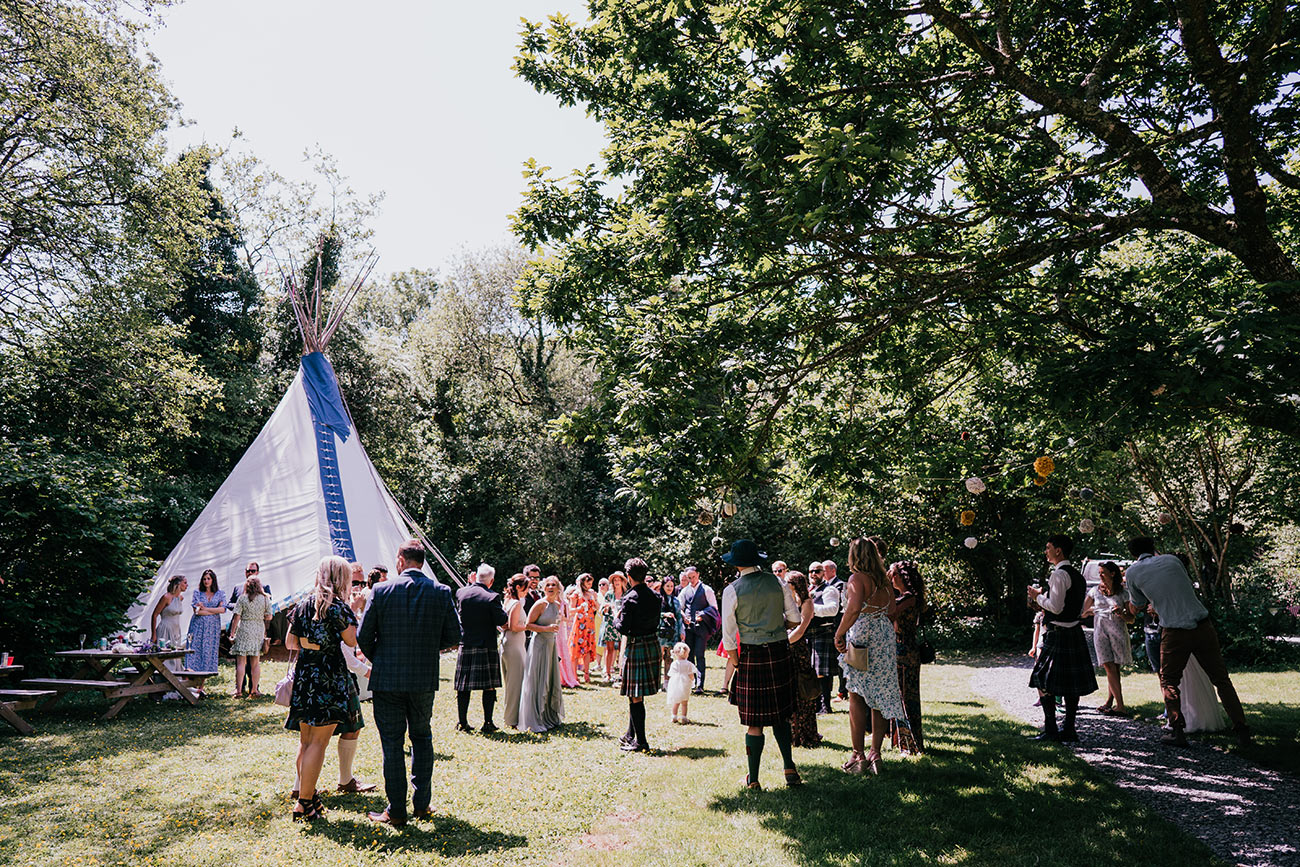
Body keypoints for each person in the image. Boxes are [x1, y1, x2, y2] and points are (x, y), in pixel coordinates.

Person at [358, 540, 461, 827]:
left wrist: (380, 658)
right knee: (422, 738)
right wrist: (428, 649)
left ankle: (396, 810)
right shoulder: (440, 591)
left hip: (388, 678)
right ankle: (422, 805)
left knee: (392, 744)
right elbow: (454, 635)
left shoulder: (381, 590)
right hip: (422, 677)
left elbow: (364, 637)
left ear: (400, 560)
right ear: (422, 561)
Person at [1124, 537, 1251, 746]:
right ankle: (1241, 728)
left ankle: (1177, 731)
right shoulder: (1172, 561)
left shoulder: (1133, 572)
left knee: (1169, 681)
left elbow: (1136, 606)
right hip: (1202, 624)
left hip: (1174, 631)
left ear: (1133, 554)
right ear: (1153, 547)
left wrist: (1134, 607)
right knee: (1221, 679)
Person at [284, 555, 362, 821]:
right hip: (328, 677)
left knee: (305, 741)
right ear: (342, 578)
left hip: (306, 676)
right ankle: (304, 803)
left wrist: (311, 644)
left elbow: (290, 642)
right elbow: (351, 641)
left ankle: (309, 795)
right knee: (318, 742)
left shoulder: (304, 604)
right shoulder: (339, 607)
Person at [721, 539, 802, 789]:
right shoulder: (777, 582)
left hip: (752, 656)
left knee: (754, 721)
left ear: (736, 565)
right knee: (781, 715)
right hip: (778, 652)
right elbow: (795, 618)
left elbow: (728, 633)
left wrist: (736, 662)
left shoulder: (732, 589)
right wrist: (777, 628)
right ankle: (790, 770)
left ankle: (753, 780)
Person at [835, 538, 907, 774]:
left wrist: (840, 633)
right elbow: (892, 611)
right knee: (880, 695)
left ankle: (858, 755)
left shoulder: (857, 579)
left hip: (863, 636)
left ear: (854, 555)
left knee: (856, 695)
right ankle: (876, 752)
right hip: (884, 637)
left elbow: (854, 609)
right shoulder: (884, 581)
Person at [1026, 534, 1098, 743]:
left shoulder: (1058, 575)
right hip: (1073, 631)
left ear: (1058, 550)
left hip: (1058, 633)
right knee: (1070, 683)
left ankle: (1051, 730)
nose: (1046, 551)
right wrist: (1044, 598)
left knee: (1042, 679)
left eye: (1048, 548)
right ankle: (1069, 729)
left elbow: (1056, 607)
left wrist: (1037, 597)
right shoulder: (1077, 575)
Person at [454, 563, 508, 733]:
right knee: (489, 685)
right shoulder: (492, 596)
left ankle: (462, 722)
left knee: (463, 685)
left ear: (476, 576)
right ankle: (488, 722)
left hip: (466, 642)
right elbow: (501, 620)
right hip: (486, 644)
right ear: (491, 581)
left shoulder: (461, 592)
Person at [615, 557, 662, 752]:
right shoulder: (656, 596)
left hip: (636, 646)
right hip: (652, 644)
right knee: (635, 695)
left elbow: (623, 628)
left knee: (635, 696)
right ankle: (630, 734)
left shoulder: (629, 598)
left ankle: (641, 742)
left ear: (628, 576)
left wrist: (615, 619)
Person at [1082, 561, 1134, 715]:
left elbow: (1131, 619)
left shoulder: (1123, 593)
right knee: (1108, 666)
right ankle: (1119, 705)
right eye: (1099, 573)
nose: (1100, 576)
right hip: (1101, 631)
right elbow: (1083, 611)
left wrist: (1121, 612)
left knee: (1114, 668)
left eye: (1102, 572)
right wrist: (1093, 610)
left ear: (1112, 574)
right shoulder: (1094, 591)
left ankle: (1115, 703)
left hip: (1117, 630)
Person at [519, 576, 565, 733]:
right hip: (539, 645)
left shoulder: (557, 605)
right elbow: (528, 625)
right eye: (548, 585)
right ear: (544, 588)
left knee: (549, 678)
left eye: (554, 585)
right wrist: (546, 629)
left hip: (551, 645)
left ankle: (548, 715)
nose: (550, 587)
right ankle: (535, 717)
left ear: (558, 589)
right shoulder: (540, 604)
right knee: (538, 678)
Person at [888, 560, 925, 754]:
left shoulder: (908, 598)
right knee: (900, 696)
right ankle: (901, 741)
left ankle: (910, 744)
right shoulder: (905, 597)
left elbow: (888, 613)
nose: (890, 577)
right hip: (901, 648)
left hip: (905, 650)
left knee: (906, 697)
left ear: (901, 577)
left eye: (893, 574)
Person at [784, 570, 821, 748]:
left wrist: (784, 642)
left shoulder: (807, 602)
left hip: (798, 649)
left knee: (803, 690)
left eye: (787, 582)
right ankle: (791, 734)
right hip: (787, 649)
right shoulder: (787, 602)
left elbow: (801, 628)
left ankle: (807, 734)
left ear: (795, 584)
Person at [228, 574, 272, 698]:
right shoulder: (265, 599)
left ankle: (238, 691)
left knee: (241, 663)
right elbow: (269, 616)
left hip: (244, 629)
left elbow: (236, 616)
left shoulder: (242, 598)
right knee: (255, 663)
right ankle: (254, 691)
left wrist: (232, 633)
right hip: (258, 630)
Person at [678, 565, 717, 694]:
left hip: (702, 627)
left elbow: (714, 608)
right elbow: (680, 608)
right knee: (689, 656)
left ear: (698, 575)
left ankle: (700, 685)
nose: (692, 580)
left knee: (700, 655)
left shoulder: (707, 589)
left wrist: (703, 615)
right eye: (689, 578)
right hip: (689, 627)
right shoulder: (684, 591)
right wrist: (684, 617)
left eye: (693, 577)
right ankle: (691, 682)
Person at [184, 569, 226, 688]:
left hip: (212, 628)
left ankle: (200, 686)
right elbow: (197, 612)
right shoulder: (197, 592)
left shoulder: (220, 593)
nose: (206, 581)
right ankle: (189, 684)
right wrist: (214, 610)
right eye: (204, 579)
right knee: (193, 651)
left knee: (207, 652)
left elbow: (223, 610)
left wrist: (206, 609)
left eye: (208, 578)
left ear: (213, 580)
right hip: (197, 626)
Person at [807, 561, 840, 714]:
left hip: (823, 632)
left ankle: (825, 705)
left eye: (817, 571)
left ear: (823, 573)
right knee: (812, 670)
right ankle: (814, 704)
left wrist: (811, 609)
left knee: (822, 671)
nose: (814, 574)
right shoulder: (808, 590)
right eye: (811, 571)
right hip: (809, 633)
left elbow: (832, 610)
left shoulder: (830, 589)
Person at [501, 574, 530, 729]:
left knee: (511, 682)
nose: (526, 592)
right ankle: (512, 719)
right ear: (519, 587)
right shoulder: (516, 603)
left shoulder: (507, 601)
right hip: (514, 645)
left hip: (508, 643)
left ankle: (512, 715)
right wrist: (529, 625)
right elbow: (513, 626)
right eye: (525, 588)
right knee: (515, 683)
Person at [151, 575, 188, 672]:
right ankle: (162, 680)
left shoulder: (180, 598)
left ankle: (177, 680)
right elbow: (154, 615)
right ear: (178, 584)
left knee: (176, 656)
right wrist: (153, 634)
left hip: (176, 630)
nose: (187, 585)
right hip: (165, 628)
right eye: (185, 583)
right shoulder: (166, 597)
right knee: (166, 657)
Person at [598, 571, 625, 685]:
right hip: (610, 623)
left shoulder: (626, 594)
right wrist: (607, 608)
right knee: (609, 649)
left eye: (619, 580)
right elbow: (602, 608)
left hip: (622, 622)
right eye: (615, 580)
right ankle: (608, 673)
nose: (617, 582)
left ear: (622, 581)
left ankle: (621, 674)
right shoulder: (609, 594)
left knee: (621, 649)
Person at [570, 573, 598, 684]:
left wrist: (595, 599)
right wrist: (579, 608)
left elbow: (596, 608)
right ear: (582, 583)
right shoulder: (575, 595)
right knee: (576, 649)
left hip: (590, 625)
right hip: (579, 624)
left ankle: (586, 673)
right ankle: (574, 675)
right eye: (588, 583)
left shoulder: (591, 594)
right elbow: (570, 611)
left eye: (591, 583)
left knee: (588, 649)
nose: (590, 585)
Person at [657, 575, 685, 683]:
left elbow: (679, 617)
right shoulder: (658, 599)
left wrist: (681, 631)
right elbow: (654, 614)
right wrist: (664, 614)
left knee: (669, 657)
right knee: (659, 657)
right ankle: (657, 680)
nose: (669, 588)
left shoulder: (676, 600)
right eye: (667, 586)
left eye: (672, 586)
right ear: (663, 586)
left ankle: (667, 681)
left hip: (672, 631)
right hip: (660, 631)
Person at [554, 577, 579, 689]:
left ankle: (565, 677)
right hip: (551, 630)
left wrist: (560, 617)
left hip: (560, 630)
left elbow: (568, 618)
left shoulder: (563, 603)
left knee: (562, 652)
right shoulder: (548, 602)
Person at [665, 641, 697, 723]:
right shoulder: (689, 664)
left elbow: (670, 674)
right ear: (687, 654)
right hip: (685, 684)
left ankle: (674, 716)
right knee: (684, 702)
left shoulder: (674, 664)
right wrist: (693, 680)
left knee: (676, 702)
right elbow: (691, 675)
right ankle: (683, 717)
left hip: (675, 684)